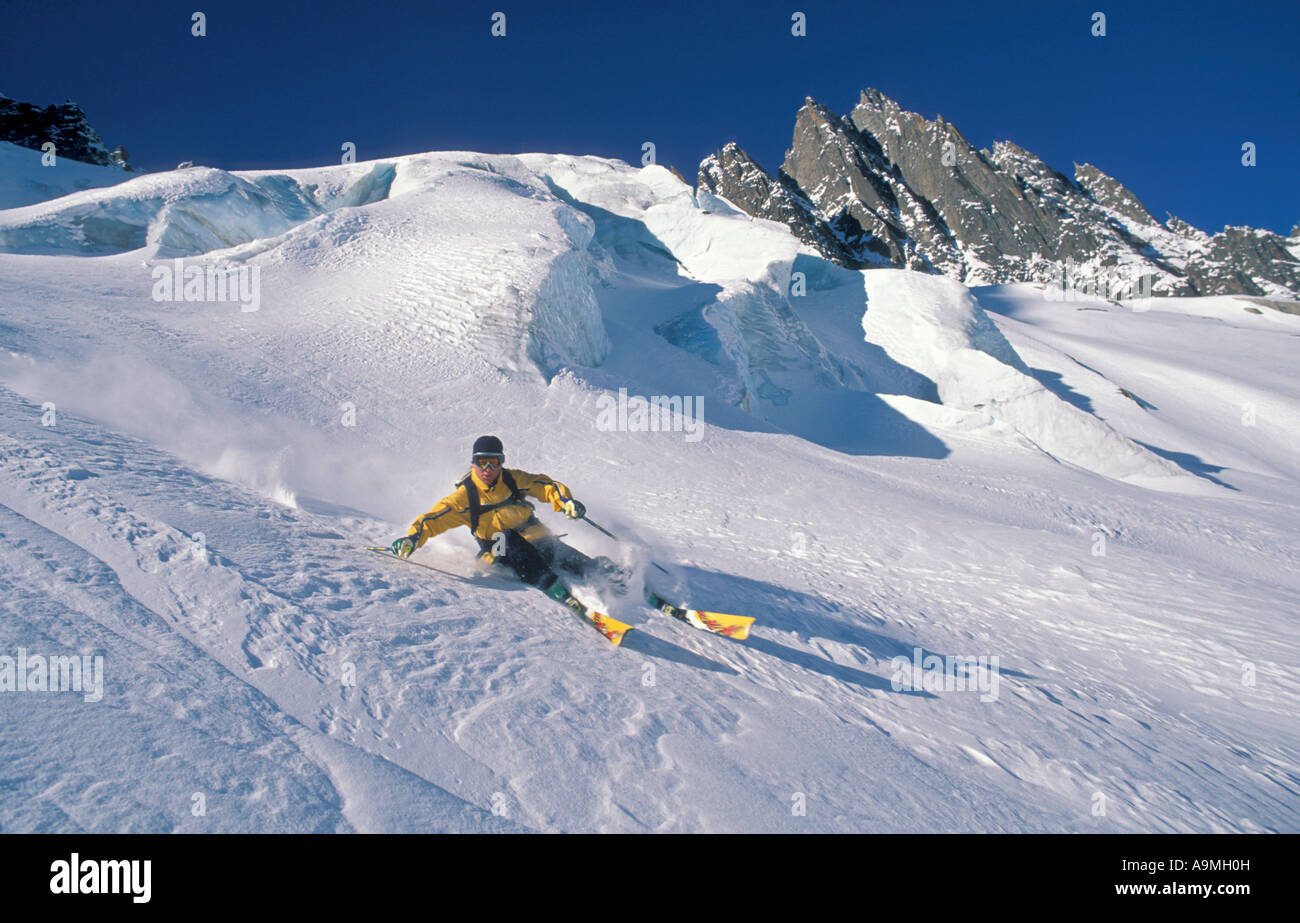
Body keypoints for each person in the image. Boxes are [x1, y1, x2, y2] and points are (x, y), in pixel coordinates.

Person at [390, 436, 628, 602]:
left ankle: (612, 576)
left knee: (561, 552)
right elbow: (432, 519)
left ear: (501, 462)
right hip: (498, 551)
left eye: (494, 462)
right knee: (507, 538)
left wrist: (566, 502)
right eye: (482, 461)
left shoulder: (513, 480)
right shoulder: (464, 497)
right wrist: (412, 538)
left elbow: (546, 486)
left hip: (536, 541)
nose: (488, 468)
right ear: (472, 462)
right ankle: (550, 583)